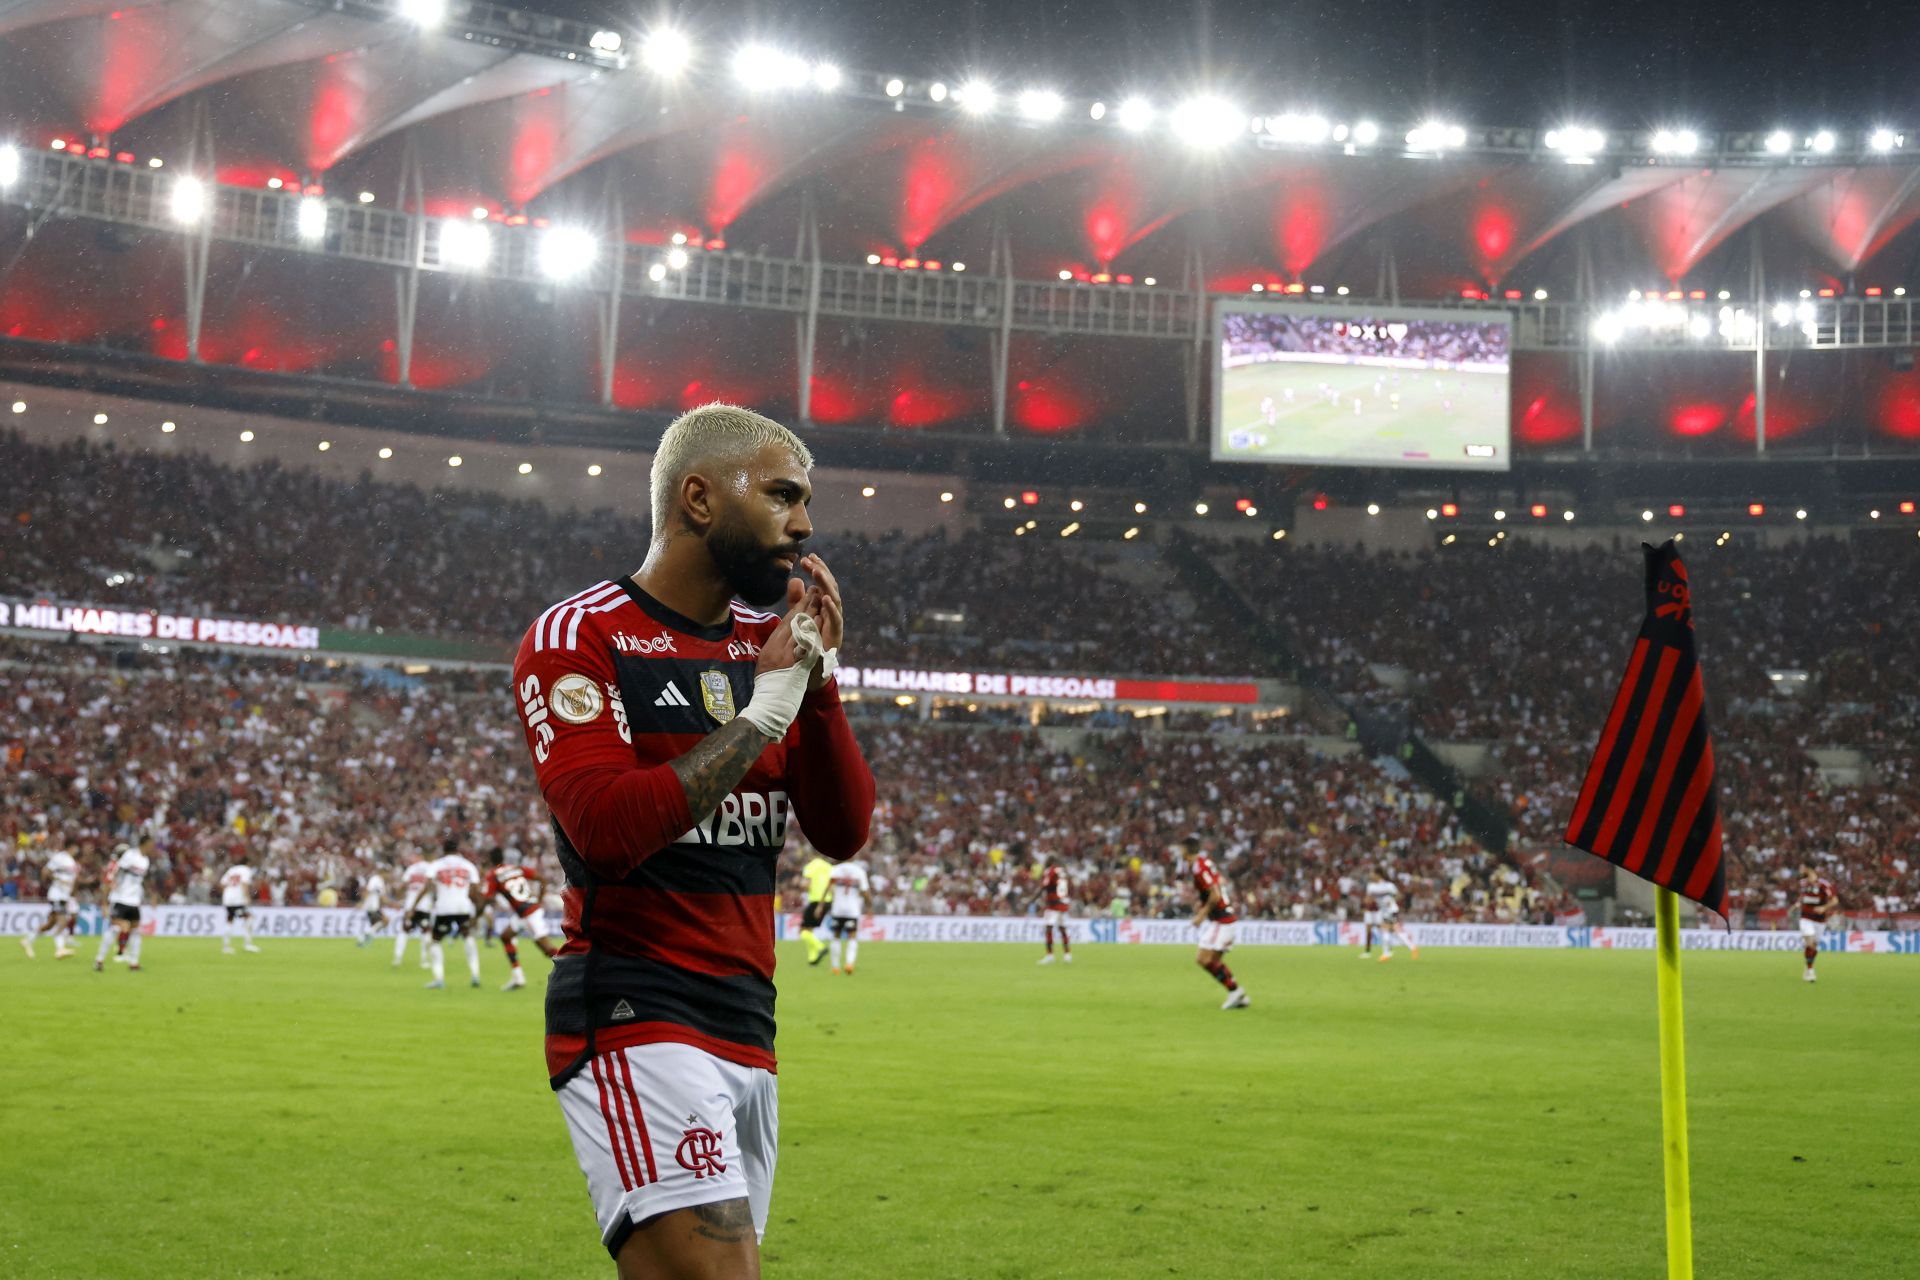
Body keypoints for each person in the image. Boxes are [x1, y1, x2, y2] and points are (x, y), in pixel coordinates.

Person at [512, 403, 874, 1277]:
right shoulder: (581, 637)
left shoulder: (766, 644)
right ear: (701, 499)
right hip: (636, 1006)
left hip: (749, 1023)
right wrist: (765, 714)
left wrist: (818, 687)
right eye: (783, 495)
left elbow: (842, 832)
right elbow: (601, 829)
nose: (805, 522)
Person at [408, 837, 483, 990]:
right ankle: (475, 975)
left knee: (435, 941)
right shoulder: (468, 866)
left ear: (444, 850)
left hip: (444, 907)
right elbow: (475, 891)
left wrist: (414, 906)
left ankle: (439, 979)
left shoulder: (437, 865)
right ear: (458, 850)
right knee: (467, 936)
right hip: (463, 907)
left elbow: (427, 887)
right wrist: (477, 912)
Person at [1184, 835, 1248, 1010]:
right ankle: (1237, 994)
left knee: (1203, 959)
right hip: (1226, 918)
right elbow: (1219, 884)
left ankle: (1235, 992)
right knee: (1213, 961)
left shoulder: (1199, 867)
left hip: (1222, 921)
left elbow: (1215, 894)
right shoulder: (1206, 863)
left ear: (1186, 850)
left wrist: (1201, 915)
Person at [482, 847, 559, 991]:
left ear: (490, 859)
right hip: (525, 912)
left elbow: (487, 897)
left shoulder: (493, 875)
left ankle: (574, 970)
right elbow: (540, 878)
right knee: (505, 936)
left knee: (546, 948)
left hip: (529, 914)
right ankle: (518, 977)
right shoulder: (516, 868)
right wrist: (539, 899)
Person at [95, 834, 152, 973]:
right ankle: (100, 960)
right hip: (120, 898)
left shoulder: (145, 860)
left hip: (134, 901)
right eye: (151, 844)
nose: (152, 847)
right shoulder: (129, 855)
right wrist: (106, 897)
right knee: (117, 928)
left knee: (136, 931)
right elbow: (114, 871)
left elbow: (139, 881)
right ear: (145, 843)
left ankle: (134, 962)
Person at [21, 841, 80, 960]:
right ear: (71, 847)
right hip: (57, 894)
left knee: (50, 924)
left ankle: (27, 940)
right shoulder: (59, 857)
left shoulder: (71, 861)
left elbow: (71, 879)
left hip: (64, 895)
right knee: (62, 921)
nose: (77, 851)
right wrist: (57, 879)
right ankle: (60, 949)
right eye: (76, 848)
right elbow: (45, 871)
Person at [826, 859, 870, 975]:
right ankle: (849, 964)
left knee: (836, 936)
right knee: (852, 936)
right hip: (852, 910)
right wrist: (869, 906)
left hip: (837, 909)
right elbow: (865, 892)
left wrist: (821, 904)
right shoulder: (859, 872)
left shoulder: (835, 870)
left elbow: (829, 888)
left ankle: (835, 967)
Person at [1365, 869, 1418, 962]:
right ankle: (1412, 947)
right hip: (1383, 911)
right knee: (1395, 931)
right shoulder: (1371, 887)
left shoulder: (1389, 886)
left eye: (1373, 874)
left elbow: (1399, 896)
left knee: (1385, 930)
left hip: (1391, 910)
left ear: (1379, 875)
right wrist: (1369, 900)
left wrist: (1390, 900)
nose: (1371, 875)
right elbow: (1368, 899)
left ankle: (1386, 954)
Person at [1798, 865, 1839, 983]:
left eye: (1802, 867)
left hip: (1820, 920)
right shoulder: (1802, 883)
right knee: (1810, 943)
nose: (1800, 870)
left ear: (1809, 868)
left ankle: (1808, 966)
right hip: (1805, 918)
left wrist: (1823, 907)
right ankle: (1810, 971)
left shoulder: (1824, 885)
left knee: (1814, 946)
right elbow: (1803, 897)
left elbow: (1835, 900)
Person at [218, 854, 262, 955]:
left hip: (227, 898)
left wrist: (229, 891)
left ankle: (226, 946)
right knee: (249, 918)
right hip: (238, 899)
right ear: (248, 863)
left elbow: (221, 884)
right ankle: (248, 944)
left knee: (230, 920)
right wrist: (247, 897)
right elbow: (244, 884)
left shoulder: (232, 870)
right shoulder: (246, 870)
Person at [395, 854, 433, 969]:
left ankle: (397, 958)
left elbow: (402, 886)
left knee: (404, 930)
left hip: (410, 905)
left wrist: (399, 898)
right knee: (426, 932)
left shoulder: (411, 869)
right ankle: (424, 960)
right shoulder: (430, 867)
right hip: (425, 905)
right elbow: (433, 885)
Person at [798, 852, 835, 967]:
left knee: (803, 930)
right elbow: (832, 886)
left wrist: (800, 885)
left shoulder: (810, 866)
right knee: (810, 929)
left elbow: (806, 885)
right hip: (827, 900)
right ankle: (812, 958)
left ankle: (820, 947)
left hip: (815, 900)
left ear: (811, 855)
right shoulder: (829, 867)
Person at [1036, 860, 1073, 965]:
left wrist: (1031, 900)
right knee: (1062, 929)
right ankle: (1067, 955)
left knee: (1049, 928)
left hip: (1053, 904)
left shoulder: (1050, 871)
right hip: (1063, 903)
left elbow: (1044, 886)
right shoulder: (1062, 871)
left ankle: (1049, 955)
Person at [356, 868, 389, 948]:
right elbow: (367, 890)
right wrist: (362, 902)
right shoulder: (375, 879)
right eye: (387, 873)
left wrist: (391, 904)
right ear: (383, 872)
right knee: (385, 921)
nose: (388, 875)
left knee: (380, 923)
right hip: (370, 906)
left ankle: (365, 937)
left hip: (375, 906)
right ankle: (364, 936)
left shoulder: (381, 882)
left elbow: (382, 898)